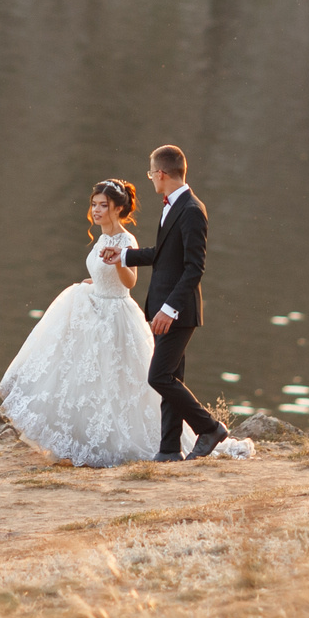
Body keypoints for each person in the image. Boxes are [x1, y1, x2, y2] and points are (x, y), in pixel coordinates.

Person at [0, 179, 166, 465]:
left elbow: (130, 283)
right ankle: (81, 439)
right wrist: (95, 281)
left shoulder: (126, 240)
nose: (96, 210)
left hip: (115, 315)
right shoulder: (102, 238)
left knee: (115, 379)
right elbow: (101, 274)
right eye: (94, 204)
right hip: (93, 308)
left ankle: (115, 442)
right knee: (83, 376)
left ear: (118, 209)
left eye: (103, 206)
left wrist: (118, 262)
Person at [99, 144, 229, 461]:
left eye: (150, 174)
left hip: (177, 312)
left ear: (160, 173)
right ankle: (169, 450)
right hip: (164, 307)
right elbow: (164, 255)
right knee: (172, 379)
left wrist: (169, 310)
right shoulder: (174, 205)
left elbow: (194, 267)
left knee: (158, 377)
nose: (151, 180)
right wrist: (125, 255)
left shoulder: (192, 209)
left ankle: (210, 428)